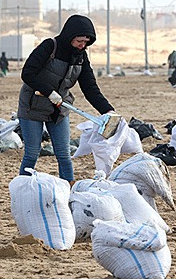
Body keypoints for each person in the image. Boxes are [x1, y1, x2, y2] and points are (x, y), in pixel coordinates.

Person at [17, 14, 114, 185]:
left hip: (59, 109)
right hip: (33, 106)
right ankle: (22, 187)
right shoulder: (50, 47)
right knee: (32, 153)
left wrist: (107, 110)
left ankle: (69, 190)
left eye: (86, 42)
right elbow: (27, 73)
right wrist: (49, 92)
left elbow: (90, 87)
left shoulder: (81, 57)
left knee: (63, 153)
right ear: (70, 36)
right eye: (79, 41)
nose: (82, 46)